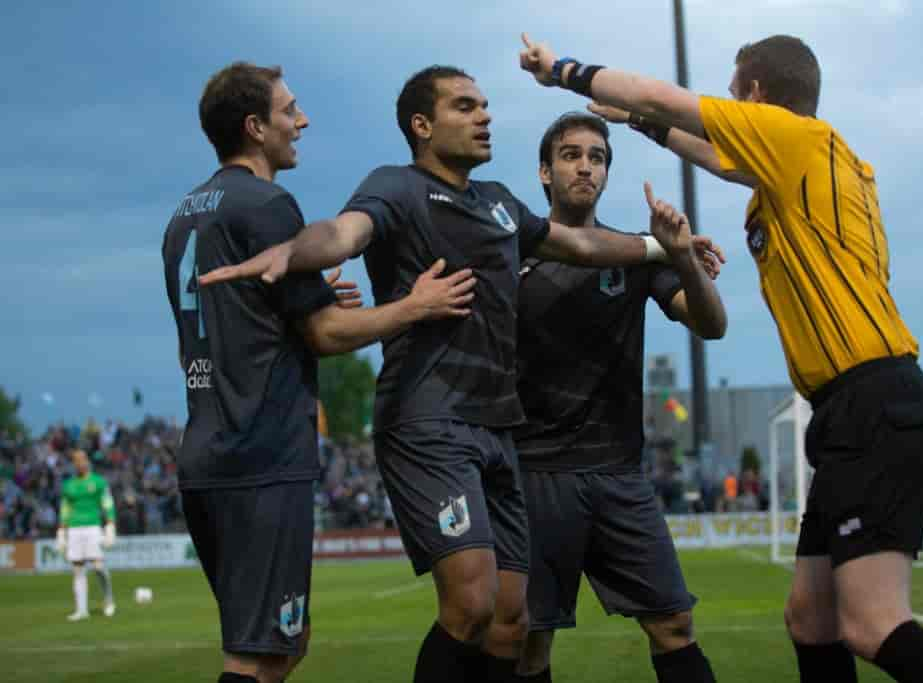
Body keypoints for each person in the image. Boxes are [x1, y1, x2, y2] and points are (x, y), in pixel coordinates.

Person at [199, 65, 723, 683]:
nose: (485, 117)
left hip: (500, 432)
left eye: (485, 107)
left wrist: (668, 249)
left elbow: (581, 246)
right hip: (430, 419)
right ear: (422, 125)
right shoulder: (395, 188)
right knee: (474, 604)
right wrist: (295, 251)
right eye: (466, 107)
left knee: (509, 622)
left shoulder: (500, 204)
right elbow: (343, 233)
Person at [517, 32, 923, 683]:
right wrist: (646, 126)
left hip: (871, 398)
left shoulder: (793, 138)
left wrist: (564, 72)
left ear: (757, 95)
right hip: (856, 404)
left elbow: (661, 96)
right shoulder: (815, 161)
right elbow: (718, 157)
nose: (729, 105)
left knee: (872, 623)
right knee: (810, 619)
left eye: (735, 93)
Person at [163, 62, 477, 683]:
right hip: (259, 451)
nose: (301, 122)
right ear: (255, 127)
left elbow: (227, 324)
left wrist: (305, 300)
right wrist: (414, 307)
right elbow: (326, 334)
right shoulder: (268, 204)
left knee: (284, 642)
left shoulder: (185, 214)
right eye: (289, 111)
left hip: (206, 447)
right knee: (255, 656)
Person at [513, 111, 725, 683]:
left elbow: (711, 324)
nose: (585, 165)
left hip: (617, 475)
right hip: (535, 475)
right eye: (571, 154)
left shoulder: (637, 255)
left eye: (597, 157)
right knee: (528, 647)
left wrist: (680, 253)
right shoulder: (510, 256)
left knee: (675, 625)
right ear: (544, 172)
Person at [56, 449, 117, 621]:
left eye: (82, 459)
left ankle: (109, 599)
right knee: (77, 568)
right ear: (73, 463)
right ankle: (81, 610)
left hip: (93, 527)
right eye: (76, 460)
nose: (80, 463)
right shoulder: (68, 485)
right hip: (74, 529)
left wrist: (110, 526)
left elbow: (107, 503)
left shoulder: (98, 482)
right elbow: (65, 509)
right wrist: (61, 531)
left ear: (87, 461)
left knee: (98, 566)